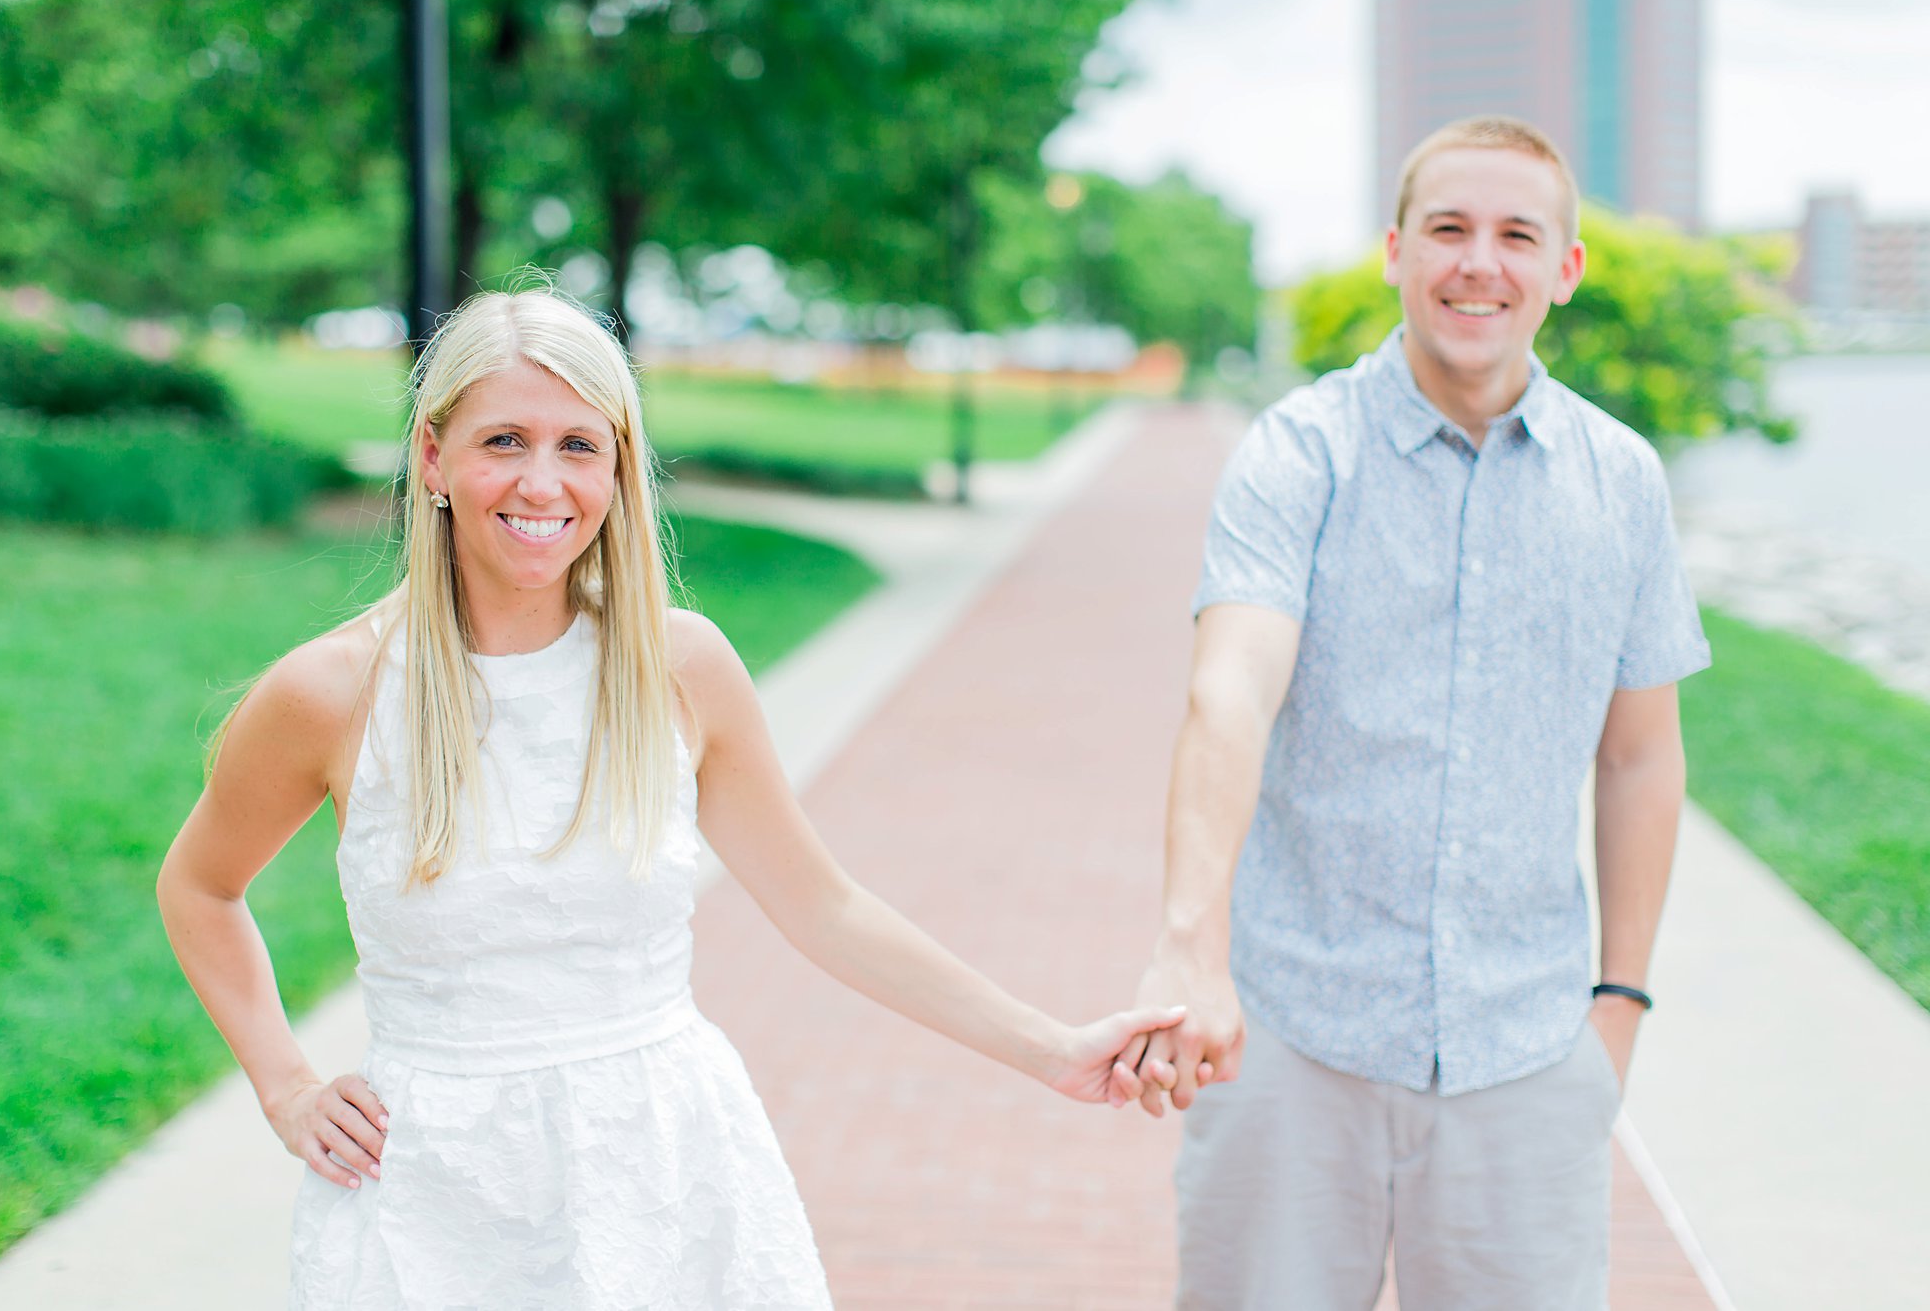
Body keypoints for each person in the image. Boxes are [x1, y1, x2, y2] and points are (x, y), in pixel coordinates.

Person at [156, 286, 1180, 1309]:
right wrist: (285, 1083)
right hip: (434, 1201)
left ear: (617, 465)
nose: (541, 481)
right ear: (432, 457)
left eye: (578, 446)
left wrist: (1049, 1048)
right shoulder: (331, 692)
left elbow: (824, 908)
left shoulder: (676, 668)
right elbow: (199, 887)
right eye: (502, 439)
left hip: (665, 1179)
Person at [1113, 115, 1711, 1308]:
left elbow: (1640, 758)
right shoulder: (1297, 454)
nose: (1476, 263)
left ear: (1563, 269)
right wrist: (1190, 945)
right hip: (1288, 1039)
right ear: (1394, 252)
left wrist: (1619, 1008)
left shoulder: (1620, 483)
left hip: (1525, 1052)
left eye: (1513, 235)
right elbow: (1227, 687)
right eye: (1446, 229)